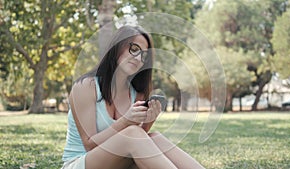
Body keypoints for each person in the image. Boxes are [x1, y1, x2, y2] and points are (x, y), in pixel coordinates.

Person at [61, 25, 204, 169]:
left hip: (117, 165)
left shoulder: (137, 93)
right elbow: (89, 145)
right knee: (132, 133)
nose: (138, 58)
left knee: (155, 138)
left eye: (144, 55)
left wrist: (148, 122)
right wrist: (125, 122)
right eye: (134, 49)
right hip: (81, 162)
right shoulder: (86, 86)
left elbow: (134, 147)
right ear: (117, 47)